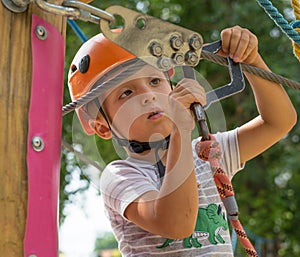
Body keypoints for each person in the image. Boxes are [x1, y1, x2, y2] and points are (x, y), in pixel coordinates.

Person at [68, 26, 297, 256]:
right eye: (126, 93)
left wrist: (250, 59)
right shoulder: (120, 177)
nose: (149, 95)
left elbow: (278, 122)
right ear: (102, 126)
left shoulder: (207, 153)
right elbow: (177, 224)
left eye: (155, 81)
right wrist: (180, 130)